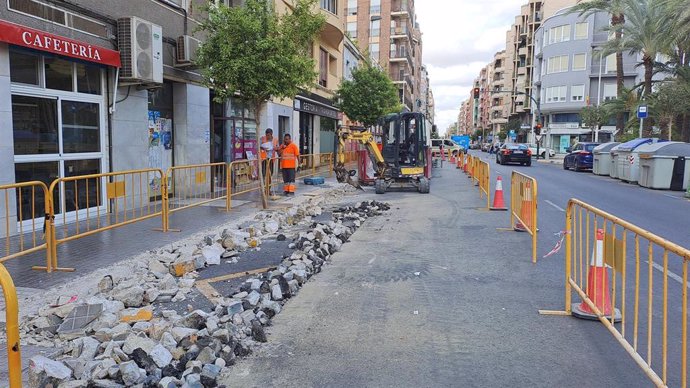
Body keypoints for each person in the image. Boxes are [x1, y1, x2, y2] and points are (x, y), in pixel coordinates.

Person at [260, 128, 279, 195]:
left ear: (271, 134)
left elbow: (277, 148)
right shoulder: (262, 139)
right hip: (264, 159)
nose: (267, 136)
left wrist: (276, 148)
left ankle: (268, 189)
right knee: (264, 174)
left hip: (271, 160)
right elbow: (258, 146)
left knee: (270, 175)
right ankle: (264, 188)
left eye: (268, 135)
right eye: (266, 135)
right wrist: (263, 147)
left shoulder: (275, 140)